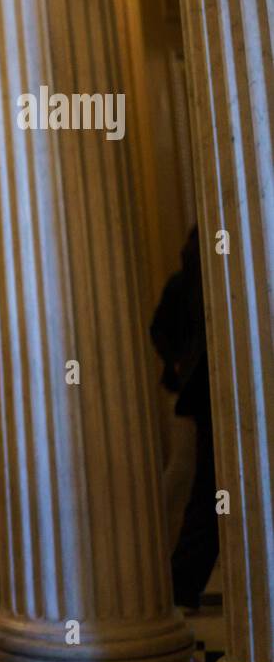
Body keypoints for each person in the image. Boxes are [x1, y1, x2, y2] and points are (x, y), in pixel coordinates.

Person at [150, 225, 217, 611]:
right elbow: (160, 327)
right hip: (201, 390)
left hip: (201, 388)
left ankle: (178, 581)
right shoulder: (191, 274)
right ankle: (174, 578)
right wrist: (179, 364)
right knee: (192, 477)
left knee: (201, 486)